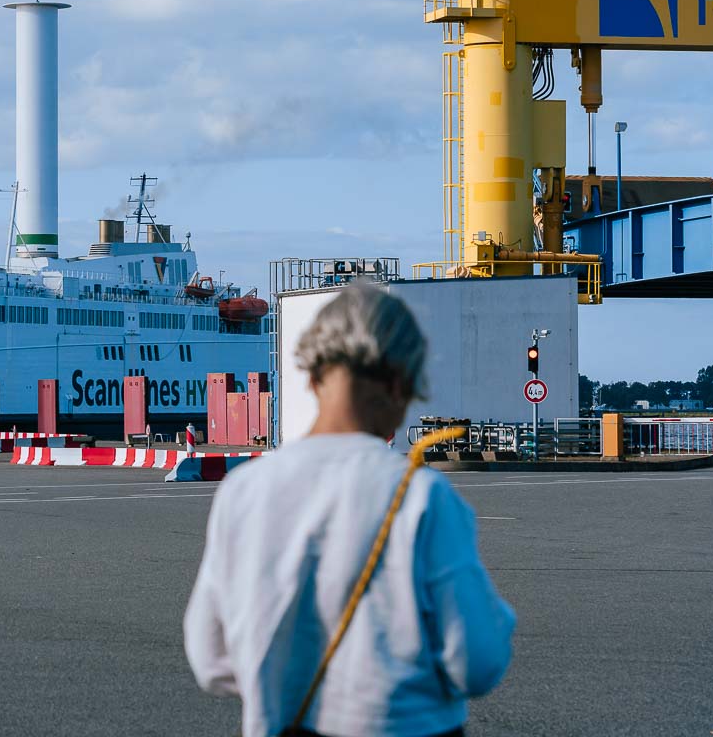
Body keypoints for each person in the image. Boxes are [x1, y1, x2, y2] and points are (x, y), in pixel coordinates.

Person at [184, 282, 515, 737]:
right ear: (400, 383)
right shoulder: (421, 497)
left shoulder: (244, 491)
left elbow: (210, 659)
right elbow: (477, 663)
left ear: (314, 374)